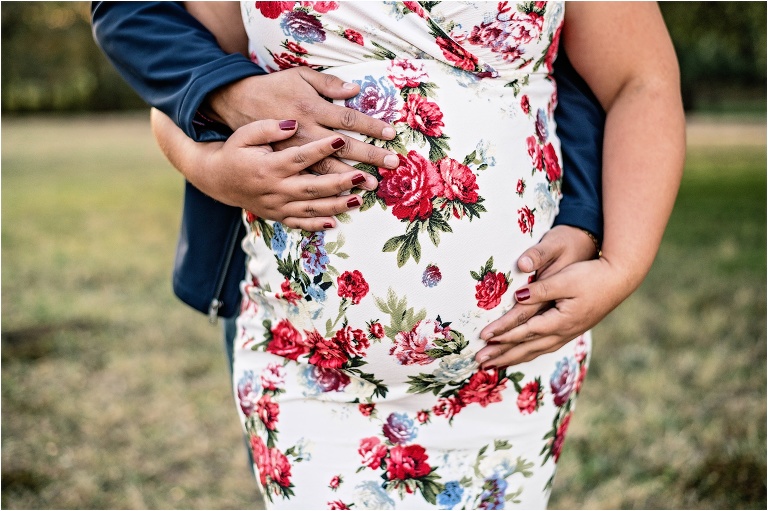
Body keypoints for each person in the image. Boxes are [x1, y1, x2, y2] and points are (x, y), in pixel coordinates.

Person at [93, 1, 684, 508]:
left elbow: (639, 80)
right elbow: (188, 92)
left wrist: (620, 264)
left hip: (514, 370)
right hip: (303, 362)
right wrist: (211, 168)